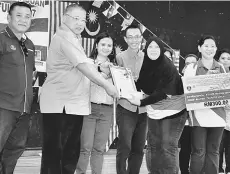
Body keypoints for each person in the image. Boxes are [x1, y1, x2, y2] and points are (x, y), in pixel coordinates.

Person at [39, 4, 118, 174]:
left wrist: (100, 68)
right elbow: (82, 65)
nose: (81, 23)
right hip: (60, 104)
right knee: (55, 153)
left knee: (70, 152)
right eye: (76, 19)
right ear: (64, 18)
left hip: (73, 105)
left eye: (83, 20)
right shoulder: (64, 37)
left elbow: (85, 64)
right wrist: (106, 84)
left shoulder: (75, 39)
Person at [0, 2, 36, 174]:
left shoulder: (30, 45)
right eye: (18, 15)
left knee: (14, 151)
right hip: (2, 106)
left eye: (27, 16)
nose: (23, 20)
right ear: (9, 17)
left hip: (24, 108)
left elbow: (30, 75)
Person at [127, 37, 187, 173]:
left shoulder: (167, 66)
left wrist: (141, 102)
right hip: (154, 110)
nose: (153, 50)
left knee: (167, 146)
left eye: (156, 47)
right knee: (153, 146)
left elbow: (163, 93)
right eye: (150, 47)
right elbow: (140, 84)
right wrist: (122, 81)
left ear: (161, 49)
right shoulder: (146, 64)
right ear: (146, 49)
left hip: (174, 111)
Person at [183, 35, 228, 174]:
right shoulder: (191, 68)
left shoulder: (221, 67)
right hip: (198, 116)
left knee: (214, 151)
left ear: (216, 49)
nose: (209, 49)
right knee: (198, 151)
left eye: (213, 46)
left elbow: (226, 92)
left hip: (218, 117)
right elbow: (187, 91)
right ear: (199, 48)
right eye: (206, 46)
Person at [76, 32, 116, 174]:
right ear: (96, 46)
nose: (106, 48)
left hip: (107, 110)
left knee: (99, 148)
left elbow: (118, 89)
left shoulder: (116, 68)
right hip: (89, 108)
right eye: (103, 44)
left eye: (109, 45)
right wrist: (101, 72)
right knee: (85, 147)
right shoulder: (88, 63)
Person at [115, 24, 148, 174]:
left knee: (139, 147)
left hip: (143, 109)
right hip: (126, 108)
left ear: (141, 38)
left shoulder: (148, 58)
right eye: (130, 37)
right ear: (125, 39)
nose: (134, 40)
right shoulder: (119, 58)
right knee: (125, 146)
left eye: (137, 36)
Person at [178, 53, 198, 174]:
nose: (190, 66)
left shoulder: (204, 80)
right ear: (184, 67)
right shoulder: (178, 81)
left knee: (198, 149)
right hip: (184, 121)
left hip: (200, 121)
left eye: (193, 63)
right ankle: (184, 171)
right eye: (187, 63)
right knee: (185, 148)